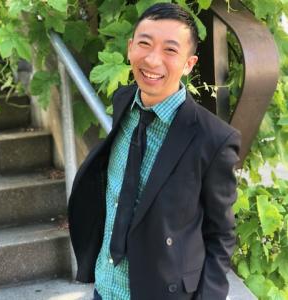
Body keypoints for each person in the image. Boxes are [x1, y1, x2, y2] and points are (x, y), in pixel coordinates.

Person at [68, 3, 241, 300]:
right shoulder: (124, 101)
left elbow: (221, 235)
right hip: (105, 286)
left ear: (189, 63)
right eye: (144, 44)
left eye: (170, 50)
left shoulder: (213, 139)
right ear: (130, 47)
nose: (152, 60)